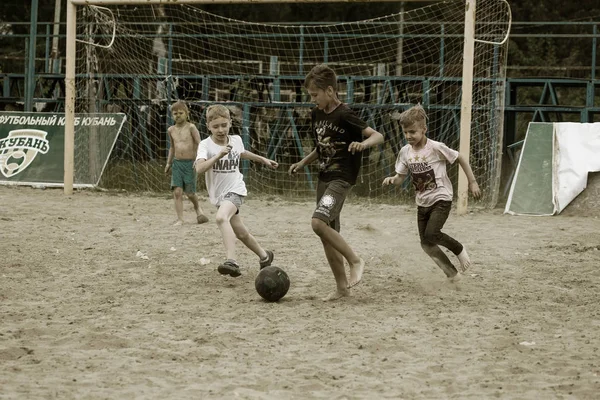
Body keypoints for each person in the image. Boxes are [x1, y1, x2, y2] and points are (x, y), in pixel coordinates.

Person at [289, 64, 384, 301]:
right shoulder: (316, 114)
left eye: (315, 95)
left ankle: (356, 260)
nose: (313, 100)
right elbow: (321, 147)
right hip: (324, 178)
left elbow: (378, 135)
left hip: (341, 179)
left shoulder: (345, 114)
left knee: (317, 222)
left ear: (330, 90)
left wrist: (363, 144)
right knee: (328, 234)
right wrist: (303, 162)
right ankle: (342, 288)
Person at [382, 104, 481, 282]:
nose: (408, 136)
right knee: (426, 244)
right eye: (405, 132)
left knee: (432, 233)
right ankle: (452, 274)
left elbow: (460, 158)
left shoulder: (435, 147)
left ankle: (458, 249)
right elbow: (400, 177)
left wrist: (472, 182)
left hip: (441, 198)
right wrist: (392, 180)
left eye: (412, 132)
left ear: (424, 129)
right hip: (422, 202)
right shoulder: (405, 152)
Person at [195, 104, 277, 277]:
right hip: (220, 196)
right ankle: (264, 256)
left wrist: (263, 159)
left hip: (236, 190)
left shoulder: (236, 140)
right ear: (208, 126)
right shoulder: (205, 145)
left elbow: (243, 153)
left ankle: (232, 261)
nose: (220, 130)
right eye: (216, 126)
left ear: (230, 123)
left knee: (220, 218)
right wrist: (218, 156)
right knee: (240, 232)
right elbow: (199, 168)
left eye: (224, 125)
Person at [165, 101, 209, 226]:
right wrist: (168, 163)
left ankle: (197, 208)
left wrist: (200, 160)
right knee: (177, 191)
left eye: (180, 113)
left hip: (190, 163)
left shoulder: (191, 127)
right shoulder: (171, 130)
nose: (178, 116)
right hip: (177, 164)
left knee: (190, 193)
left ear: (186, 113)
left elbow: (200, 144)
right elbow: (172, 148)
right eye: (175, 114)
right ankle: (180, 219)